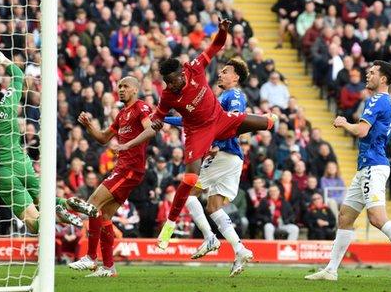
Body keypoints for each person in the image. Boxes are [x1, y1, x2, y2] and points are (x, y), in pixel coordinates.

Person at [116, 18, 277, 251]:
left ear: (183, 72)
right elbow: (154, 123)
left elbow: (216, 45)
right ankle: (169, 226)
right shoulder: (167, 96)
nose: (175, 84)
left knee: (266, 121)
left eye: (177, 79)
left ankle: (272, 120)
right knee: (190, 179)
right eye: (169, 83)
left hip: (219, 120)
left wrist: (222, 31)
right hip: (197, 133)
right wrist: (143, 133)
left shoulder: (195, 67)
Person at [0, 31, 96, 233]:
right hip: (21, 163)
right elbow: (17, 74)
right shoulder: (7, 105)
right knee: (45, 199)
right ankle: (69, 204)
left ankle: (57, 215)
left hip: (0, 171)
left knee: (33, 223)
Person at [305, 61, 391, 283]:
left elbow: (362, 131)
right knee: (345, 216)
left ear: (383, 79)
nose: (367, 74)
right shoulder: (389, 103)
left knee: (377, 218)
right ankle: (331, 270)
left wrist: (343, 123)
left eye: (372, 72)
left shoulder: (376, 100)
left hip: (373, 165)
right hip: (368, 167)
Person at [163, 58, 254, 276]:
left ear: (236, 77)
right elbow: (194, 123)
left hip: (224, 154)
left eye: (226, 71)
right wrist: (164, 119)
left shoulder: (235, 95)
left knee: (188, 193)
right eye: (221, 71)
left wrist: (218, 143)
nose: (220, 74)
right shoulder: (221, 97)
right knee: (213, 207)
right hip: (230, 158)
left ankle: (209, 237)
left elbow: (236, 121)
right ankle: (240, 249)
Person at [69, 76, 153, 277]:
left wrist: (127, 145)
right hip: (123, 168)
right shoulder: (122, 114)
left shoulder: (141, 107)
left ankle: (90, 257)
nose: (121, 89)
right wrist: (89, 126)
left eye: (125, 86)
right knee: (104, 216)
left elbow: (151, 130)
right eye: (119, 86)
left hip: (130, 169)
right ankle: (109, 267)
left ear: (134, 89)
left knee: (92, 204)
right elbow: (103, 138)